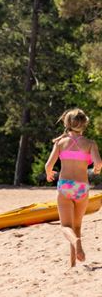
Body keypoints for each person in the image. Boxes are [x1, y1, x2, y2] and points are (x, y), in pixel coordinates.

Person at [45, 109, 102, 267]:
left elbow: (48, 165)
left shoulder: (60, 143)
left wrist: (49, 173)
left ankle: (76, 244)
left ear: (66, 123)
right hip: (82, 188)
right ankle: (73, 264)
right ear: (85, 124)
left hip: (65, 187)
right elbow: (98, 164)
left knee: (65, 227)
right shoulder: (90, 144)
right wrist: (96, 170)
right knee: (76, 226)